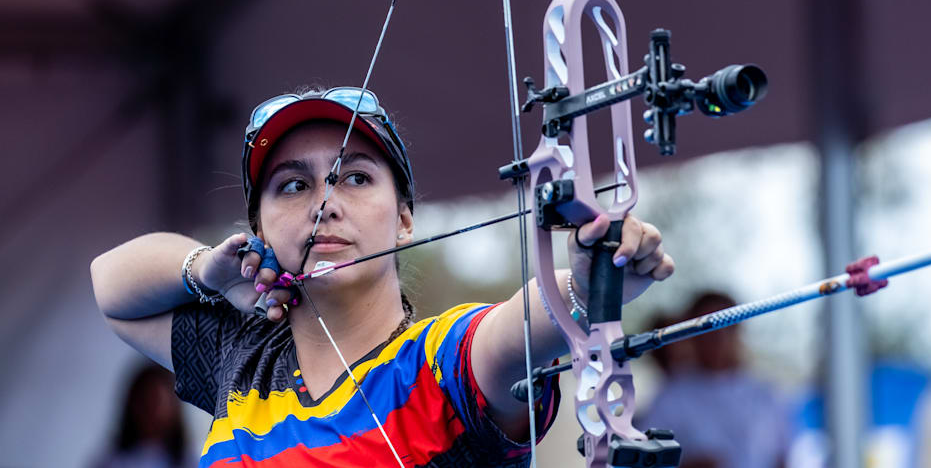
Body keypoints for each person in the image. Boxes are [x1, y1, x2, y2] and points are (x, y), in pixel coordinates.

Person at [91, 86, 674, 467]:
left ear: (403, 219)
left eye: (355, 178)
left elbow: (518, 329)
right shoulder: (242, 360)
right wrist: (208, 271)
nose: (323, 203)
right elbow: (111, 288)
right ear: (261, 230)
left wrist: (588, 284)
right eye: (293, 186)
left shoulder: (438, 365)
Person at [638, 292, 790, 468]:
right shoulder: (673, 395)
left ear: (739, 330)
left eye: (727, 326)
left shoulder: (765, 394)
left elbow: (785, 456)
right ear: (693, 334)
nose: (719, 337)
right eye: (710, 329)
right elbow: (645, 458)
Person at [91, 362, 191, 468]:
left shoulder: (191, 462)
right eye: (144, 402)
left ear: (173, 408)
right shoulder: (110, 461)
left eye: (156, 402)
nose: (150, 412)